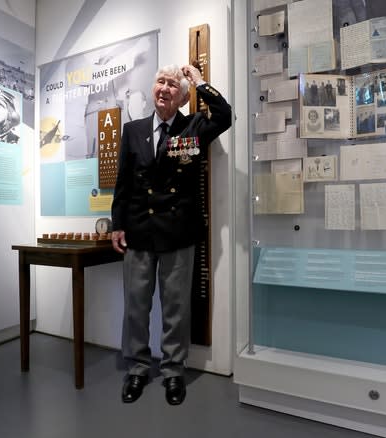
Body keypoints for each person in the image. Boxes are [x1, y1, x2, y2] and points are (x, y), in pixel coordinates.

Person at [111, 63, 232, 406]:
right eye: (159, 82)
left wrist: (198, 81)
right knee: (136, 305)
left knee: (175, 307)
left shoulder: (193, 125)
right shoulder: (133, 130)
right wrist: (117, 223)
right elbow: (123, 182)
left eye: (171, 85)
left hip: (179, 231)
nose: (164, 88)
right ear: (153, 89)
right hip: (138, 230)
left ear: (181, 95)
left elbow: (225, 115)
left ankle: (173, 371)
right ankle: (136, 367)